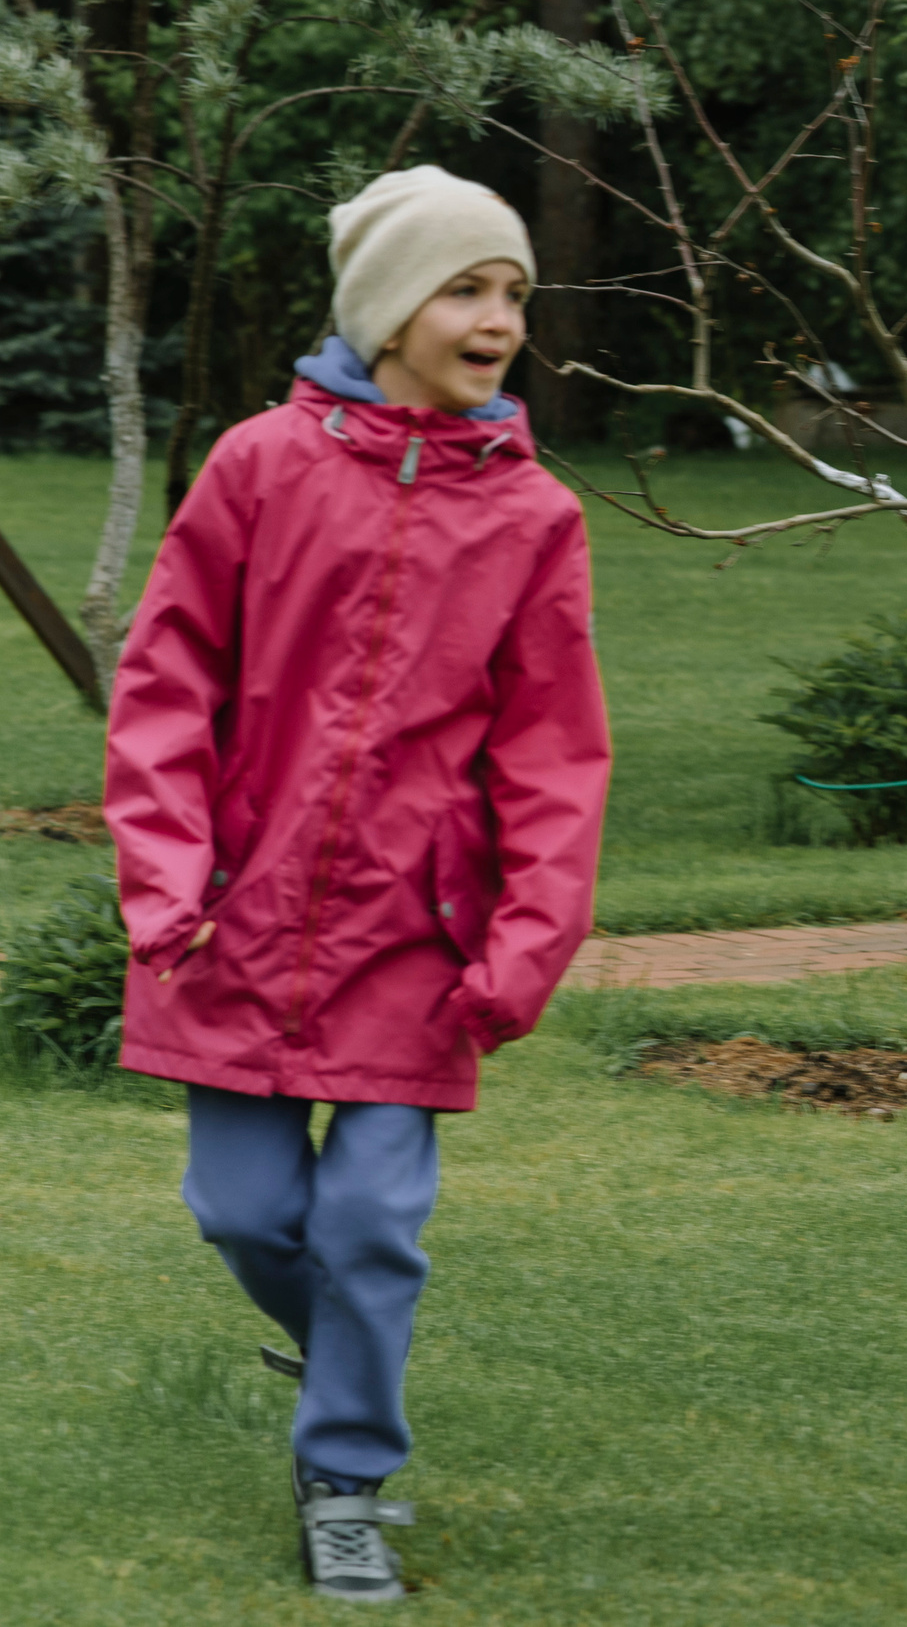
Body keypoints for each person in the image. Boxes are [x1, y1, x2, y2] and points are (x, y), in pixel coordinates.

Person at [105, 165, 613, 1603]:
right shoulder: (258, 466)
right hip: (233, 924)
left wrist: (522, 947)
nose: (499, 315)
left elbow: (554, 754)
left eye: (514, 290)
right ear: (388, 307)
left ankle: (346, 1473)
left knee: (371, 1223)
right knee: (247, 1214)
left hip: (417, 942)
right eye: (468, 286)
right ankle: (340, 1340)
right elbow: (164, 684)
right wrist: (166, 887)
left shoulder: (535, 520)